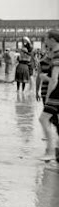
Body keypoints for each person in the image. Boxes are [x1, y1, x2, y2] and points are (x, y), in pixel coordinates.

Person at [39, 29, 59, 161]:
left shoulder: (57, 54)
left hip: (56, 91)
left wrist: (48, 97)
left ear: (52, 39)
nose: (44, 41)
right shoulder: (55, 54)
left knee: (43, 119)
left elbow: (55, 78)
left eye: (46, 38)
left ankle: (50, 150)